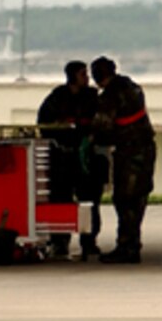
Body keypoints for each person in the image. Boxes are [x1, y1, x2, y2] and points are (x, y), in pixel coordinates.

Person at [35, 60, 104, 260]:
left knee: (89, 202)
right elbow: (44, 124)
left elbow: (99, 123)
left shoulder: (93, 98)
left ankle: (89, 242)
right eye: (83, 74)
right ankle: (59, 241)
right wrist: (61, 126)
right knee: (59, 199)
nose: (87, 78)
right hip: (62, 158)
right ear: (73, 76)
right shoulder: (57, 98)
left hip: (86, 158)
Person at [90, 56, 156, 264]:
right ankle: (132, 244)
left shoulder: (110, 96)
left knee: (124, 199)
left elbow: (102, 129)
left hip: (128, 153)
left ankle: (126, 245)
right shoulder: (133, 87)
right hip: (146, 148)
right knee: (139, 198)